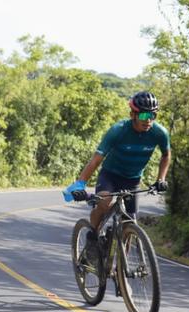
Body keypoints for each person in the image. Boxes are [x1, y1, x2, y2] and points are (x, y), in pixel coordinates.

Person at [63, 91, 171, 261]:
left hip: (133, 179)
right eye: (144, 115)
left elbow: (166, 155)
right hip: (110, 176)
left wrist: (161, 179)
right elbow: (96, 160)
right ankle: (92, 238)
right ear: (132, 114)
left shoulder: (159, 133)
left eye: (152, 115)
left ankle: (121, 268)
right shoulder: (118, 130)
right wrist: (80, 184)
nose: (148, 120)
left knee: (130, 223)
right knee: (104, 202)